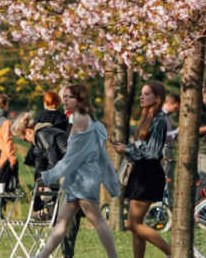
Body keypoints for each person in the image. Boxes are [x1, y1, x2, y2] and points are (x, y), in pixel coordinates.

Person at [33, 83, 121, 258]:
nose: (64, 100)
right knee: (62, 222)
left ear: (80, 100)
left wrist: (48, 176)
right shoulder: (88, 120)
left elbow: (71, 159)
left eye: (69, 97)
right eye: (64, 96)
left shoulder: (81, 121)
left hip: (84, 181)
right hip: (77, 181)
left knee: (97, 221)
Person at [110, 80, 172, 258]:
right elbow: (143, 147)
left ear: (157, 98)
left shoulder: (159, 121)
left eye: (146, 94)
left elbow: (152, 153)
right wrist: (128, 147)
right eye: (141, 93)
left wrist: (127, 150)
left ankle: (173, 253)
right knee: (136, 223)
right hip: (140, 173)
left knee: (132, 224)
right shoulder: (147, 118)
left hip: (149, 173)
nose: (141, 96)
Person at [20, 112, 81, 258]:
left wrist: (45, 183)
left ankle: (55, 255)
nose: (26, 141)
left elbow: (53, 162)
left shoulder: (42, 134)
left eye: (24, 138)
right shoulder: (48, 131)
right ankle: (60, 255)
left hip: (75, 174)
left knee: (67, 220)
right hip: (77, 171)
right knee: (70, 219)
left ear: (28, 131)